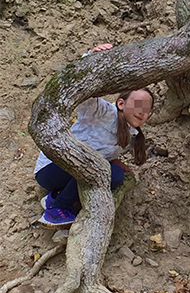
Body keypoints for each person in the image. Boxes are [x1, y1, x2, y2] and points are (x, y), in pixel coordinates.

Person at [34, 43, 154, 229]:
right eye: (138, 105)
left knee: (115, 174)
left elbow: (103, 149)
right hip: (52, 167)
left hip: (71, 171)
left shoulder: (131, 136)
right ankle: (56, 210)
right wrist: (90, 57)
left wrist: (114, 161)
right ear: (121, 103)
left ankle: (55, 197)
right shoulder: (101, 111)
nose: (142, 112)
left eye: (147, 110)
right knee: (106, 171)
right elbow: (83, 88)